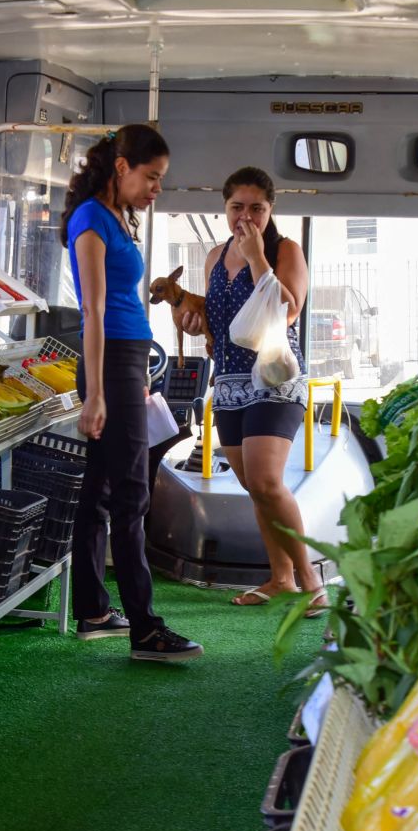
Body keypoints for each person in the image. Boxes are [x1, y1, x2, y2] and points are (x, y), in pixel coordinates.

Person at [62, 124, 204, 661]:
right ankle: (145, 629)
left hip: (126, 360)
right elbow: (93, 310)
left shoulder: (118, 216)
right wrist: (98, 393)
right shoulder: (90, 220)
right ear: (122, 167)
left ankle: (94, 611)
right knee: (131, 494)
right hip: (109, 363)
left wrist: (136, 371)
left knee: (100, 490)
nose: (156, 189)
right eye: (152, 177)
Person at [181, 166, 328, 613]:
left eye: (257, 208)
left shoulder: (284, 250)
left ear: (271, 210)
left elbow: (288, 310)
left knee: (266, 480)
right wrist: (194, 322)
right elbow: (219, 323)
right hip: (228, 383)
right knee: (254, 487)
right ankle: (280, 577)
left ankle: (310, 579)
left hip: (274, 379)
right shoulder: (214, 256)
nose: (246, 216)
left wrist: (257, 258)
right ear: (224, 208)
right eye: (237, 207)